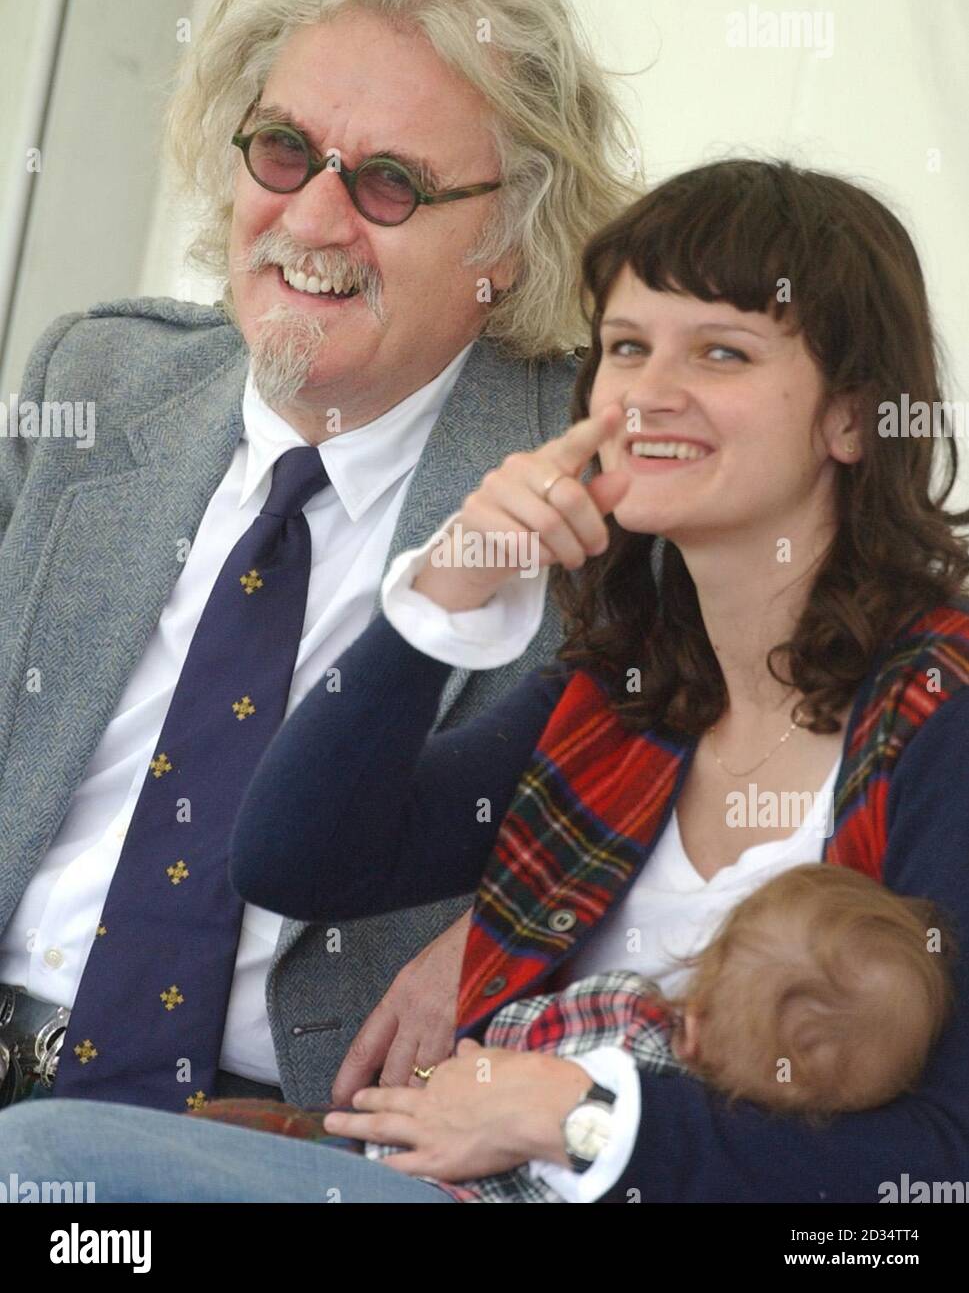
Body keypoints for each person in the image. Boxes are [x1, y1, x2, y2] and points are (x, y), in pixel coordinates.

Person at [5, 157, 969, 1202]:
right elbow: (294, 857)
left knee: (47, 1169)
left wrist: (578, 1112)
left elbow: (942, 1162)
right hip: (453, 1181)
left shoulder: (940, 717)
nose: (649, 392)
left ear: (853, 416)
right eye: (627, 347)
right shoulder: (630, 696)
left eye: (723, 353)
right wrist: (445, 593)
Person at [0, 0, 637, 1114]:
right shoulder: (96, 382)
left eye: (389, 183)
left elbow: (731, 741)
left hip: (267, 1132)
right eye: (286, 151)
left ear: (508, 241)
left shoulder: (591, 475)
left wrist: (508, 928)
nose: (315, 220)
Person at [188, 862, 956, 1205]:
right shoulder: (745, 1163)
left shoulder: (621, 1013)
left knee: (170, 1147)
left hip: (382, 1156)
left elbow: (494, 1045)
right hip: (386, 1161)